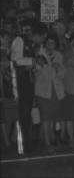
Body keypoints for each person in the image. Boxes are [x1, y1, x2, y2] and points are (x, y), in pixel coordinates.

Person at [10, 20, 48, 152]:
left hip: (29, 80)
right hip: (18, 82)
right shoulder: (19, 41)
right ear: (37, 34)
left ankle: (26, 142)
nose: (43, 40)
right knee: (23, 112)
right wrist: (33, 61)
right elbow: (16, 61)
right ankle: (22, 143)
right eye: (42, 37)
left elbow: (37, 64)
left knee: (27, 112)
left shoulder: (34, 45)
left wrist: (34, 65)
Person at [34, 34, 66, 152]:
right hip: (43, 91)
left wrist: (58, 69)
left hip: (57, 91)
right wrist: (54, 68)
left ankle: (50, 139)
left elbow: (63, 74)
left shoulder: (59, 55)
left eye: (52, 43)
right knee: (45, 118)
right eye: (48, 43)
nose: (50, 46)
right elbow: (42, 73)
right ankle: (47, 143)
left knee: (53, 117)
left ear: (56, 44)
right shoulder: (38, 55)